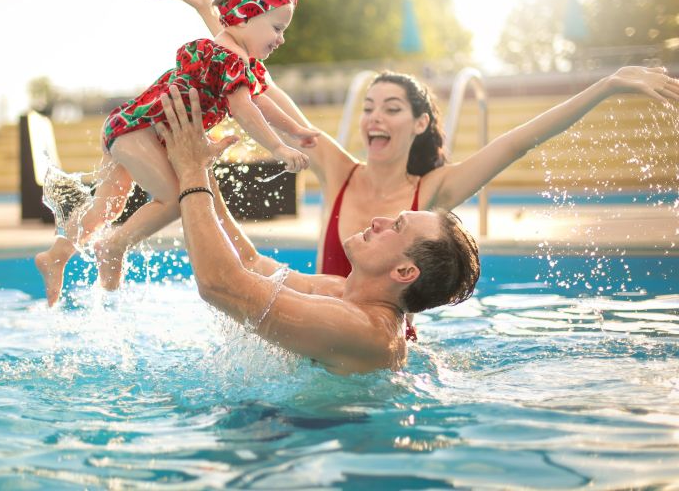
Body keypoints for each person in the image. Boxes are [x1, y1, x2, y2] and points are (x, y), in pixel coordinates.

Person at [142, 0, 679, 339]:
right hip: (323, 317)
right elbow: (256, 80)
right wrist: (208, 14)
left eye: (392, 108)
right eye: (370, 105)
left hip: (350, 336)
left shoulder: (434, 193)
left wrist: (606, 86)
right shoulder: (339, 171)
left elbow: (521, 140)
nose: (374, 116)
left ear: (421, 122)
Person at [36, 0, 319, 305]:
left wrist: (296, 130)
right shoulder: (228, 58)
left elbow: (260, 100)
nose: (281, 38)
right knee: (174, 200)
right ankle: (113, 246)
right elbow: (246, 111)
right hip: (140, 131)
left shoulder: (234, 58)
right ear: (245, 18)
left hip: (127, 127)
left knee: (108, 207)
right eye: (276, 27)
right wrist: (278, 148)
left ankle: (57, 255)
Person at [156, 85, 480, 375]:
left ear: (405, 270)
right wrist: (202, 167)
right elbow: (250, 264)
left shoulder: (362, 330)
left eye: (396, 226)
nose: (379, 221)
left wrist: (191, 171)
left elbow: (220, 285)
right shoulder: (341, 292)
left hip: (314, 434)